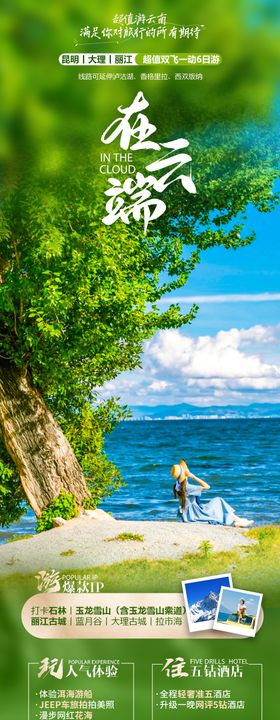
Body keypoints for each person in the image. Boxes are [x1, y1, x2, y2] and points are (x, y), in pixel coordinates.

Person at [171, 459, 254, 528]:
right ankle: (237, 521)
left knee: (217, 502)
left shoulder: (176, 486)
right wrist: (194, 477)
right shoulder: (188, 487)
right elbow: (207, 486)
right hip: (195, 512)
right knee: (218, 500)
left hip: (187, 513)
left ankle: (237, 519)